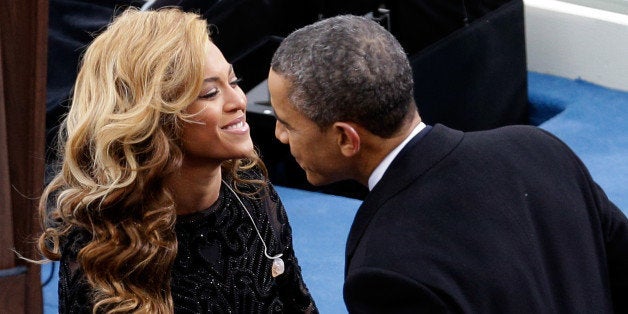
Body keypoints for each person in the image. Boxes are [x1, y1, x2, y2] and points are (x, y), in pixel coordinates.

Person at [267, 14, 628, 313]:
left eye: (286, 122)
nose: (280, 136)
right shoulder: (539, 148)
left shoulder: (384, 270)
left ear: (346, 138)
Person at [37, 8, 316, 313]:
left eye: (234, 82)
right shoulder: (102, 243)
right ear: (155, 119)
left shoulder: (250, 190)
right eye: (210, 93)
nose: (238, 101)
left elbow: (298, 303)